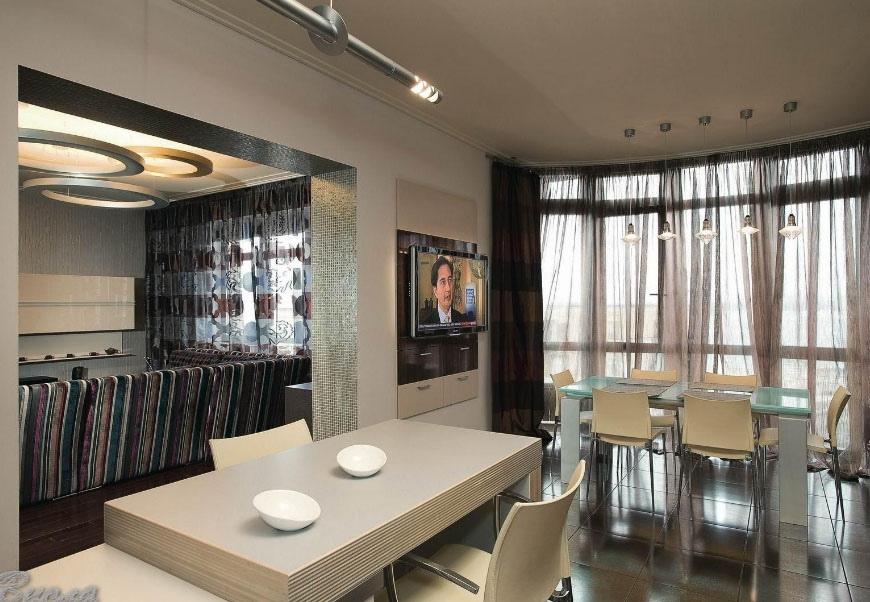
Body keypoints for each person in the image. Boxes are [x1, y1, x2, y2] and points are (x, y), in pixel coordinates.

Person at [419, 256, 467, 325]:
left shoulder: (463, 320)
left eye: (450, 280)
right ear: (435, 291)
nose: (448, 288)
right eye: (443, 282)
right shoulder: (426, 325)